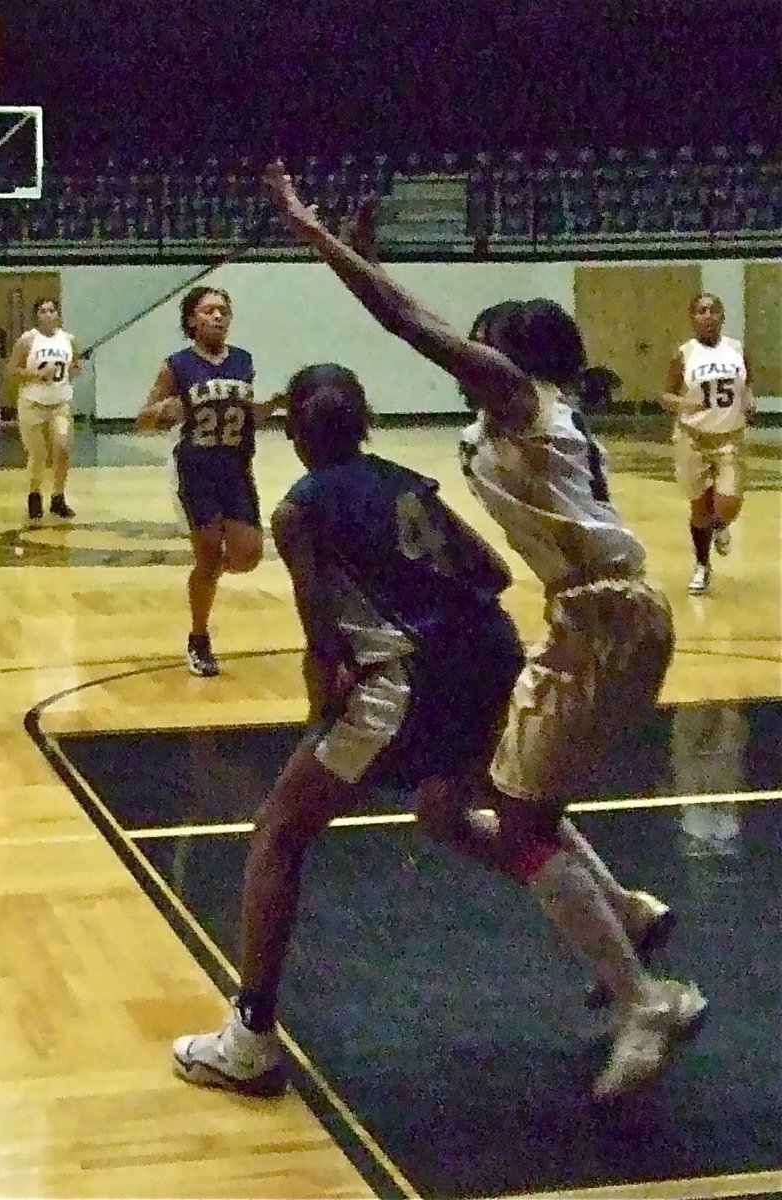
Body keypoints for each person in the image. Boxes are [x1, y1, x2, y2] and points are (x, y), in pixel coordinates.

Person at [245, 162, 706, 1100]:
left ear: (512, 359)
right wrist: (370, 264)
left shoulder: (526, 403)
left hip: (604, 616)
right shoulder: (532, 416)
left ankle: (646, 1002)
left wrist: (315, 235)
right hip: (588, 614)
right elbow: (422, 322)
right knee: (463, 804)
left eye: (483, 343)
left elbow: (413, 326)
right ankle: (626, 913)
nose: (470, 353)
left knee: (524, 819)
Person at [173, 363, 527, 1096]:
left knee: (278, 831)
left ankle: (250, 1038)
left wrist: (319, 724)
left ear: (294, 432)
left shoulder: (300, 509)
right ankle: (620, 924)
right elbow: (493, 571)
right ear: (365, 422)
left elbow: (324, 642)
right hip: (490, 661)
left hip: (406, 680)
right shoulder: (406, 480)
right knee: (461, 811)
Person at [137, 286, 281, 677]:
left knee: (248, 556)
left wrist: (275, 405)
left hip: (236, 467)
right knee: (206, 555)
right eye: (209, 310)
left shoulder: (244, 361)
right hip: (196, 468)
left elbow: (247, 413)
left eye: (223, 311)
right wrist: (165, 410)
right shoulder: (177, 365)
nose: (218, 317)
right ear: (191, 320)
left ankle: (208, 574)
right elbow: (143, 417)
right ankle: (199, 637)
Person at [660, 292, 755, 594]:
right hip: (693, 438)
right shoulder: (685, 354)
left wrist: (749, 400)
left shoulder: (736, 349)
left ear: (722, 316)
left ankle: (721, 526)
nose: (708, 316)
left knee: (728, 502)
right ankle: (702, 566)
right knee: (700, 508)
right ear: (692, 318)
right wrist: (682, 405)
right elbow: (666, 394)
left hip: (729, 435)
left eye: (714, 310)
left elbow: (747, 382)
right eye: (701, 311)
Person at [6, 297, 81, 521]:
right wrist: (37, 374)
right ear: (37, 315)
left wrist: (75, 369)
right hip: (33, 404)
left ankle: (58, 497)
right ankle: (34, 494)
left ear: (57, 314)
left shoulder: (68, 340)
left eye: (52, 310)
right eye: (43, 311)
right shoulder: (28, 340)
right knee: (38, 454)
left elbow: (75, 366)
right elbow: (11, 370)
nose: (48, 315)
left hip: (61, 403)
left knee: (63, 448)